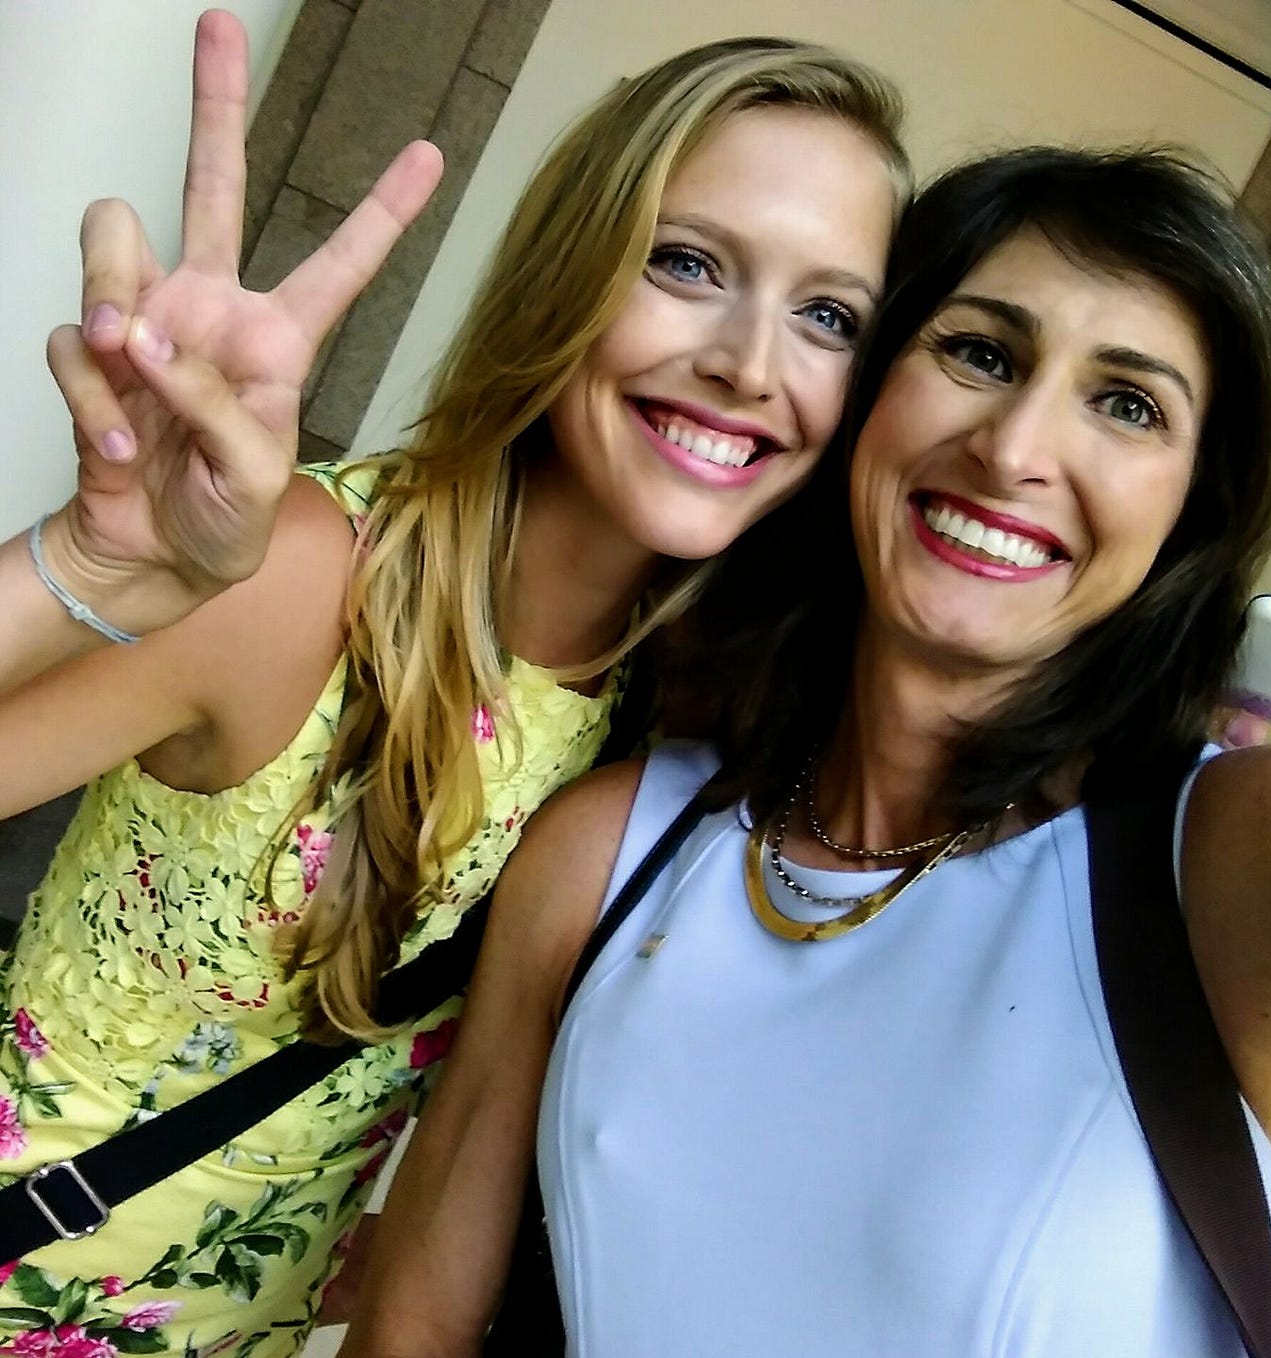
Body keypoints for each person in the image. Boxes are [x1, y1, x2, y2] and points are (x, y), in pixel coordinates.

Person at [343, 147, 1271, 1357]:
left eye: (1127, 405)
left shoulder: (1233, 868)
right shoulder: (609, 849)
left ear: (1190, 512)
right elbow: (412, 1323)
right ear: (864, 395)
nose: (1012, 449)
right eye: (979, 353)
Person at [0, 11, 907, 1355]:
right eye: (686, 262)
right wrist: (84, 563)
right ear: (570, 268)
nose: (749, 362)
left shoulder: (672, 725)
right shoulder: (308, 572)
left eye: (826, 315)